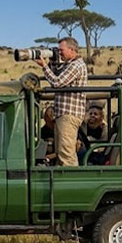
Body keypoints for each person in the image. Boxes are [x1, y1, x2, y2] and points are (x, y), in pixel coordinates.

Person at [36, 37, 87, 166]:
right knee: (61, 153)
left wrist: (44, 67)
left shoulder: (76, 65)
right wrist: (52, 64)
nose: (59, 53)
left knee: (66, 156)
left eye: (61, 50)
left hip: (69, 114)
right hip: (64, 114)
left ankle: (71, 183)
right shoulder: (70, 64)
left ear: (71, 49)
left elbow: (57, 82)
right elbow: (57, 76)